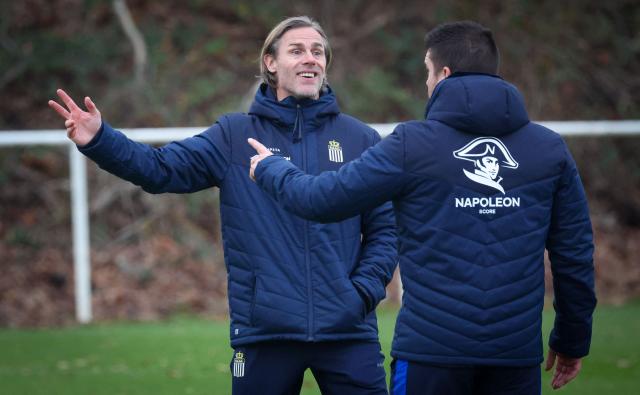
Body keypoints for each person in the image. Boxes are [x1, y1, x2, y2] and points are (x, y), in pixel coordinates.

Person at [48, 16, 397, 395]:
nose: (310, 58)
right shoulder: (234, 136)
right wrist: (101, 139)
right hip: (265, 333)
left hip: (347, 331)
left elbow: (385, 229)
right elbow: (160, 169)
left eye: (318, 52)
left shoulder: (360, 138)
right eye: (296, 50)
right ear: (270, 62)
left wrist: (361, 293)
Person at [249, 21, 596, 394]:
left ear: (443, 74)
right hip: (514, 357)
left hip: (429, 356)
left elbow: (321, 199)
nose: (426, 85)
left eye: (428, 73)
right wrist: (572, 339)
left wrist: (271, 169)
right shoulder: (549, 149)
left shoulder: (411, 145)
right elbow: (574, 254)